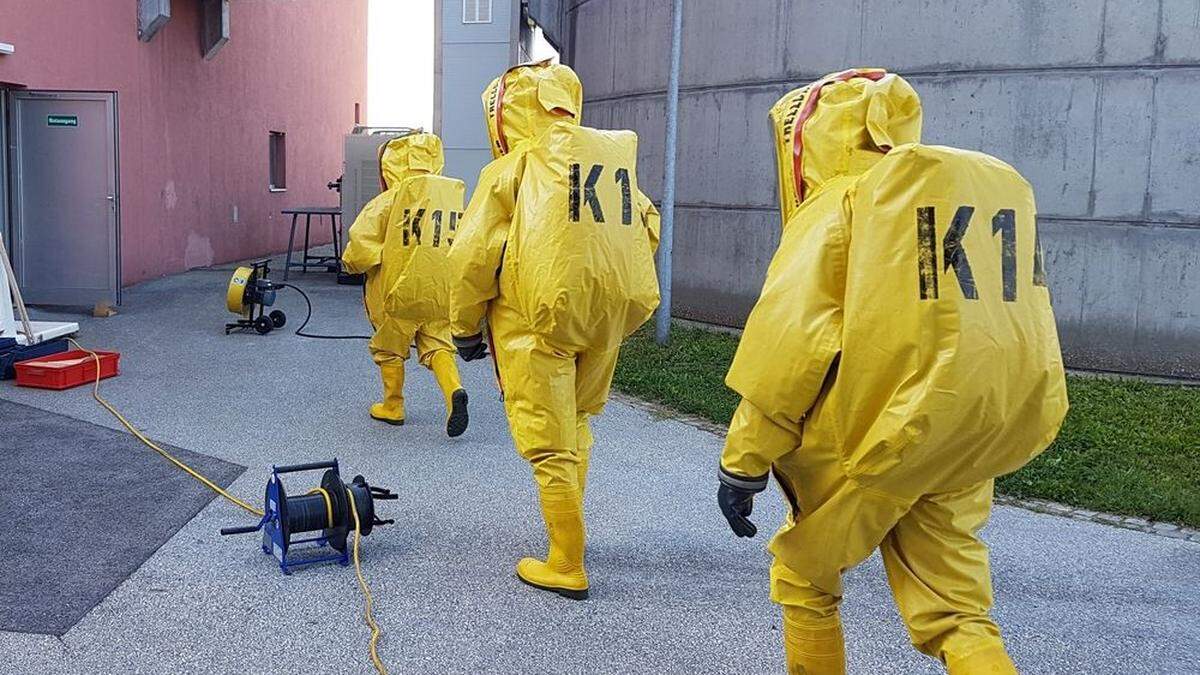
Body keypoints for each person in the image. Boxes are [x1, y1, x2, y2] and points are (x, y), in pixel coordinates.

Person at [716, 69, 1068, 674]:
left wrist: (743, 462)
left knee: (806, 572)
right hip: (968, 429)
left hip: (872, 433)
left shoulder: (841, 204)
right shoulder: (965, 193)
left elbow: (788, 349)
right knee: (956, 607)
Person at [449, 61, 660, 600]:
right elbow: (648, 227)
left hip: (533, 320)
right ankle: (570, 531)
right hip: (605, 319)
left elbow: (473, 257)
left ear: (504, 113)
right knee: (580, 420)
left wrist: (465, 326)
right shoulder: (610, 165)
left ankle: (567, 561)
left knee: (547, 441)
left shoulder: (514, 167)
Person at [341, 132, 470, 437]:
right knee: (437, 344)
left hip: (397, 293)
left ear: (391, 165)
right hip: (440, 291)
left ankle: (393, 405)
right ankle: (454, 392)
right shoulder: (452, 202)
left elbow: (361, 248)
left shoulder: (390, 200)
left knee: (390, 347)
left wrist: (351, 264)